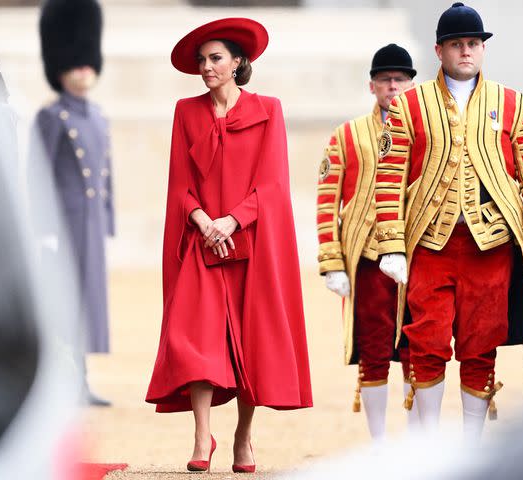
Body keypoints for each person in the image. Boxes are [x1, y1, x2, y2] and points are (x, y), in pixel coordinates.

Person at [375, 2, 523, 439]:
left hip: (490, 244)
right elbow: (391, 175)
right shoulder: (410, 105)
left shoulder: (511, 103)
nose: (466, 51)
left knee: (481, 344)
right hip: (431, 243)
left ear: (483, 49)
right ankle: (429, 443)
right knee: (428, 341)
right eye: (457, 44)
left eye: (473, 43)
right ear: (439, 50)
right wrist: (392, 244)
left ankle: (472, 444)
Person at [146, 17, 312, 473]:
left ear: (239, 62)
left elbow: (273, 184)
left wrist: (231, 221)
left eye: (215, 58)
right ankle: (203, 436)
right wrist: (203, 222)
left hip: (251, 243)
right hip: (202, 242)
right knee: (193, 339)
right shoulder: (186, 111)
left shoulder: (269, 109)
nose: (206, 67)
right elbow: (179, 181)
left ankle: (243, 437)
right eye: (202, 60)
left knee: (250, 345)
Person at [317, 43, 418, 440]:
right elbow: (328, 200)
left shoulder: (427, 130)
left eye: (400, 80)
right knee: (373, 351)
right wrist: (332, 261)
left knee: (419, 347)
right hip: (367, 258)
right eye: (385, 80)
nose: (393, 87)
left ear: (412, 85)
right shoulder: (347, 135)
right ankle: (379, 443)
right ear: (372, 86)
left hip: (417, 253)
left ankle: (417, 442)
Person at [33, 0, 115, 406]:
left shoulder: (98, 116)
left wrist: (108, 221)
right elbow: (38, 173)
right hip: (62, 224)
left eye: (87, 63)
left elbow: (106, 175)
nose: (84, 70)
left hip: (91, 225)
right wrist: (42, 229)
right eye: (76, 64)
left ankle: (81, 379)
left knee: (88, 302)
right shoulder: (52, 118)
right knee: (64, 300)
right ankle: (62, 381)